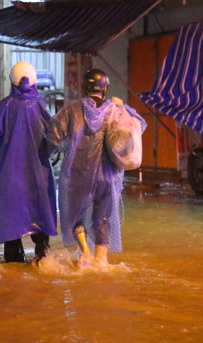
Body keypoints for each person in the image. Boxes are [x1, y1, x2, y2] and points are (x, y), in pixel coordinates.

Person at [46, 68, 146, 265]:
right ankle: (101, 262)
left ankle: (85, 255)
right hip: (108, 178)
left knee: (76, 217)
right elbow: (139, 126)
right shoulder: (115, 110)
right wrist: (124, 108)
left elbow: (53, 140)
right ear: (105, 88)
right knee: (103, 219)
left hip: (77, 175)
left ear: (84, 87)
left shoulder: (71, 111)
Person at [0, 62, 57, 264]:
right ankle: (43, 259)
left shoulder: (4, 106)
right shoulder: (42, 106)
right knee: (42, 219)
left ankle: (15, 267)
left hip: (9, 176)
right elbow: (54, 140)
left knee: (11, 225)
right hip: (39, 176)